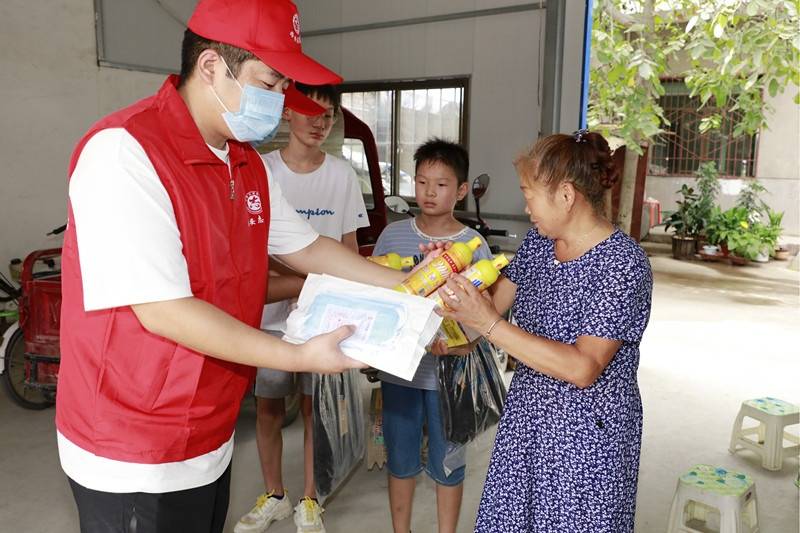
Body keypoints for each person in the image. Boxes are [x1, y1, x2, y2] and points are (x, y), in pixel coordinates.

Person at [57, 1, 412, 532]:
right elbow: (165, 312)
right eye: (269, 84)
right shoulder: (125, 153)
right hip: (134, 447)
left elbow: (309, 249)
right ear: (210, 68)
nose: (279, 102)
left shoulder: (244, 159)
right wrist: (297, 356)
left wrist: (409, 284)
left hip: (209, 429)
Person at [436, 130, 653, 532]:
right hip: (529, 419)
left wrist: (487, 323)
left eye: (530, 193)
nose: (525, 206)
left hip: (587, 438)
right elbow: (489, 310)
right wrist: (448, 290)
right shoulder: (540, 241)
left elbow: (584, 367)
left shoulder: (623, 265)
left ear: (566, 196)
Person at [235, 83, 369, 533]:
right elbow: (248, 248)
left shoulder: (342, 175)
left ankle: (310, 498)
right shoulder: (260, 169)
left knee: (316, 410)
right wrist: (289, 281)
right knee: (269, 407)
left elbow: (349, 250)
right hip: (271, 317)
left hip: (323, 320)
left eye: (329, 114)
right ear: (286, 113)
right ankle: (275, 493)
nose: (320, 122)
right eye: (310, 111)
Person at [373, 139, 492, 533]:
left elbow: (485, 312)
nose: (428, 191)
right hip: (400, 374)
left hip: (451, 376)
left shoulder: (473, 246)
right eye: (422, 181)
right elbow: (379, 299)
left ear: (461, 190)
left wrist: (464, 339)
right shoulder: (392, 236)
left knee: (449, 462)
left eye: (441, 184)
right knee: (401, 460)